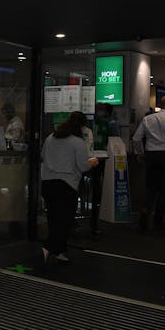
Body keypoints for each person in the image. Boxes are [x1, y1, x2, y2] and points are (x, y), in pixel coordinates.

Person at [41, 111, 99, 263]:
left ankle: (60, 251)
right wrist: (92, 162)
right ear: (81, 127)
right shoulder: (77, 142)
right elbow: (83, 166)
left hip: (47, 183)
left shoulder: (50, 137)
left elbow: (43, 156)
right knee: (64, 221)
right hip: (66, 185)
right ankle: (48, 248)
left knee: (54, 218)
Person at [132, 95, 165, 231]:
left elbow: (136, 138)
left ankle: (144, 214)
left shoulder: (147, 119)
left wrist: (140, 153)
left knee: (150, 188)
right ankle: (158, 221)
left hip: (151, 156)